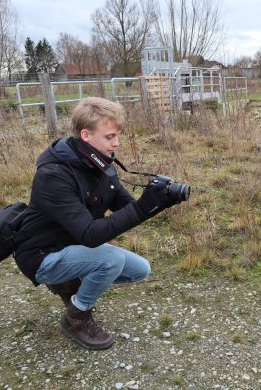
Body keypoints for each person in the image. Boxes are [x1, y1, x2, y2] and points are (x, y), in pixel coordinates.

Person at [14, 97, 182, 350]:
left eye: (118, 135)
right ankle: (76, 317)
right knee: (110, 259)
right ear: (86, 135)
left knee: (140, 269)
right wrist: (144, 206)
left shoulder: (99, 165)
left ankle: (69, 283)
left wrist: (160, 201)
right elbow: (91, 235)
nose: (117, 143)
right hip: (41, 256)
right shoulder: (53, 176)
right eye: (110, 136)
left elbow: (128, 208)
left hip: (74, 247)